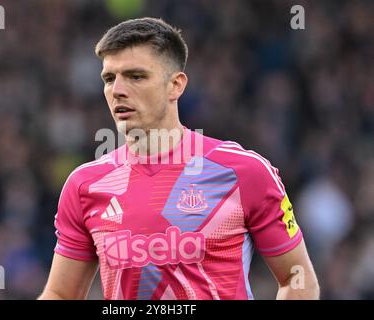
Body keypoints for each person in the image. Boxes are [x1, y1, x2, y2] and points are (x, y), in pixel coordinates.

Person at [38, 17, 319, 300]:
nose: (118, 90)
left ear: (176, 85)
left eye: (136, 76)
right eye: (109, 79)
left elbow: (298, 279)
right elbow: (61, 294)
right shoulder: (84, 185)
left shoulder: (243, 172)